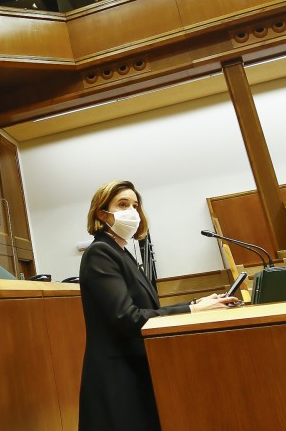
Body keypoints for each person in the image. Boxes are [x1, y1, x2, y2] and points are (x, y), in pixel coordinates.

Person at [78, 180, 238, 431]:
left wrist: (196, 303)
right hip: (117, 375)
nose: (132, 211)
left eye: (135, 205)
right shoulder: (101, 253)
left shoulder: (121, 251)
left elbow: (145, 308)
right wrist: (192, 311)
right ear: (102, 213)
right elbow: (127, 317)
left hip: (133, 368)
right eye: (122, 204)